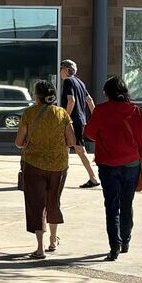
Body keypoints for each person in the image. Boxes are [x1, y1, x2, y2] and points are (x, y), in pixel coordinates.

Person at [84, 76, 142, 261]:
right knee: (127, 203)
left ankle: (114, 246)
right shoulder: (137, 111)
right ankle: (126, 240)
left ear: (107, 93)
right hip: (131, 165)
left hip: (108, 165)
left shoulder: (101, 111)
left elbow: (89, 134)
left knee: (111, 206)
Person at [14, 79, 75, 260]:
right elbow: (71, 141)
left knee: (36, 204)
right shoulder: (62, 113)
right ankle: (53, 240)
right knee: (53, 200)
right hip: (58, 165)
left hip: (33, 164)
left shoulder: (29, 113)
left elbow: (18, 143)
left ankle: (39, 248)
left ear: (36, 96)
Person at [59, 59, 99, 188]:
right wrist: (95, 117)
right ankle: (60, 176)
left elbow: (71, 101)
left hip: (72, 121)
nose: (60, 72)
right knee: (65, 148)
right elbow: (89, 100)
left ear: (66, 70)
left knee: (79, 149)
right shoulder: (80, 82)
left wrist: (65, 117)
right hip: (80, 120)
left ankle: (93, 178)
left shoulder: (68, 81)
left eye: (61, 69)